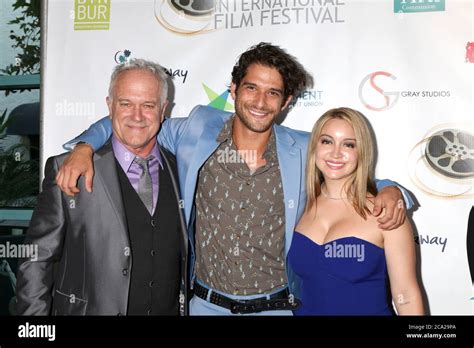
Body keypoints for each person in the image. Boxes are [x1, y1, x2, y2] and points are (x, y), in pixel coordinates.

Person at [56, 43, 412, 315]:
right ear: (234, 88)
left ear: (286, 101)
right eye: (252, 87)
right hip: (205, 306)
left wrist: (394, 192)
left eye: (273, 92)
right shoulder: (196, 130)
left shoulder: (303, 149)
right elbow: (136, 122)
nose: (260, 101)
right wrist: (86, 145)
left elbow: (352, 172)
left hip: (276, 308)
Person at [16, 59, 188, 315]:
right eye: (126, 103)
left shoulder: (182, 169)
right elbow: (36, 259)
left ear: (164, 109)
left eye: (148, 105)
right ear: (110, 106)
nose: (137, 116)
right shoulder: (68, 170)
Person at [289, 107, 424, 315]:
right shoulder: (299, 205)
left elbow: (405, 296)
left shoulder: (385, 212)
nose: (336, 153)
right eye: (326, 141)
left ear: (362, 152)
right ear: (314, 146)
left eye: (349, 144)